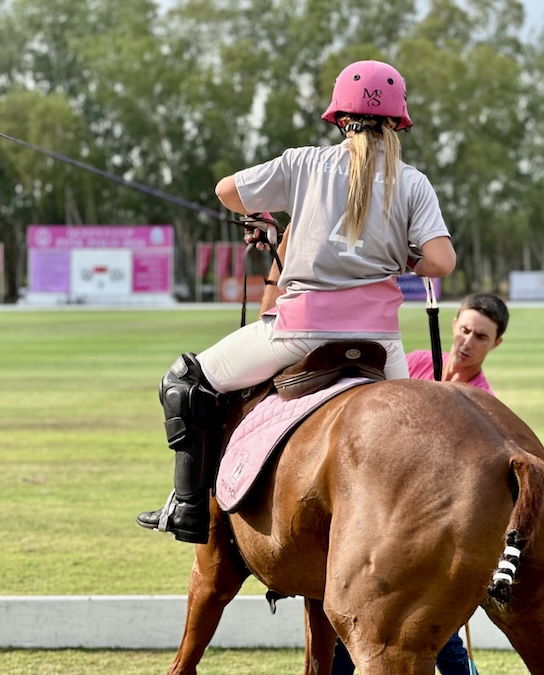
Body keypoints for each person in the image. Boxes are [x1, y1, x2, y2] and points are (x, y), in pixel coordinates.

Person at [136, 60, 456, 544]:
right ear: (397, 120)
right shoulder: (413, 182)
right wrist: (400, 255)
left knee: (184, 382)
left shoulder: (304, 163)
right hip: (380, 341)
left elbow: (226, 191)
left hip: (299, 331)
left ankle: (188, 507)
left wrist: (265, 215)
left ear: (338, 116)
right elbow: (441, 260)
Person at [331, 292, 509, 675]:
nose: (467, 342)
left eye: (480, 336)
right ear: (453, 325)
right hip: (380, 512)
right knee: (355, 617)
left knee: (431, 627)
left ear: (496, 343)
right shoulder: (415, 363)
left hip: (431, 526)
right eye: (464, 330)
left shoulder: (483, 401)